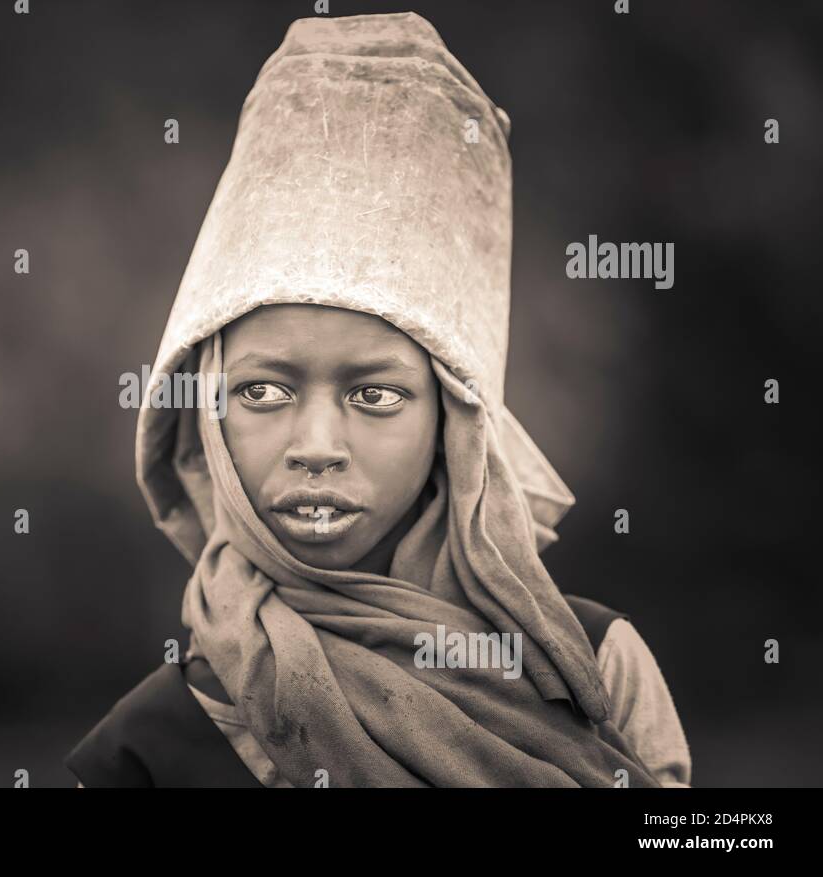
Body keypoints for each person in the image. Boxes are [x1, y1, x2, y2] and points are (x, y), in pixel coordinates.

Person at [66, 12, 690, 788]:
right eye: (261, 390)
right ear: (207, 416)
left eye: (376, 393)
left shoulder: (594, 673)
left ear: (452, 425)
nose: (317, 444)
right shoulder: (142, 753)